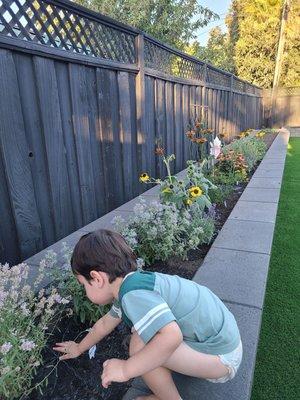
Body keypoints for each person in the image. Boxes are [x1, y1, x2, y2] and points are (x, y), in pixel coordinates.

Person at [53, 229, 243, 400]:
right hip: (222, 345)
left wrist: (125, 369)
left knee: (139, 346)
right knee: (145, 337)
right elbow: (105, 323)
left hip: (223, 359)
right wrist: (79, 347)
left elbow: (171, 336)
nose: (85, 291)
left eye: (83, 284)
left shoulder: (133, 295)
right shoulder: (131, 285)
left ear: (97, 278)